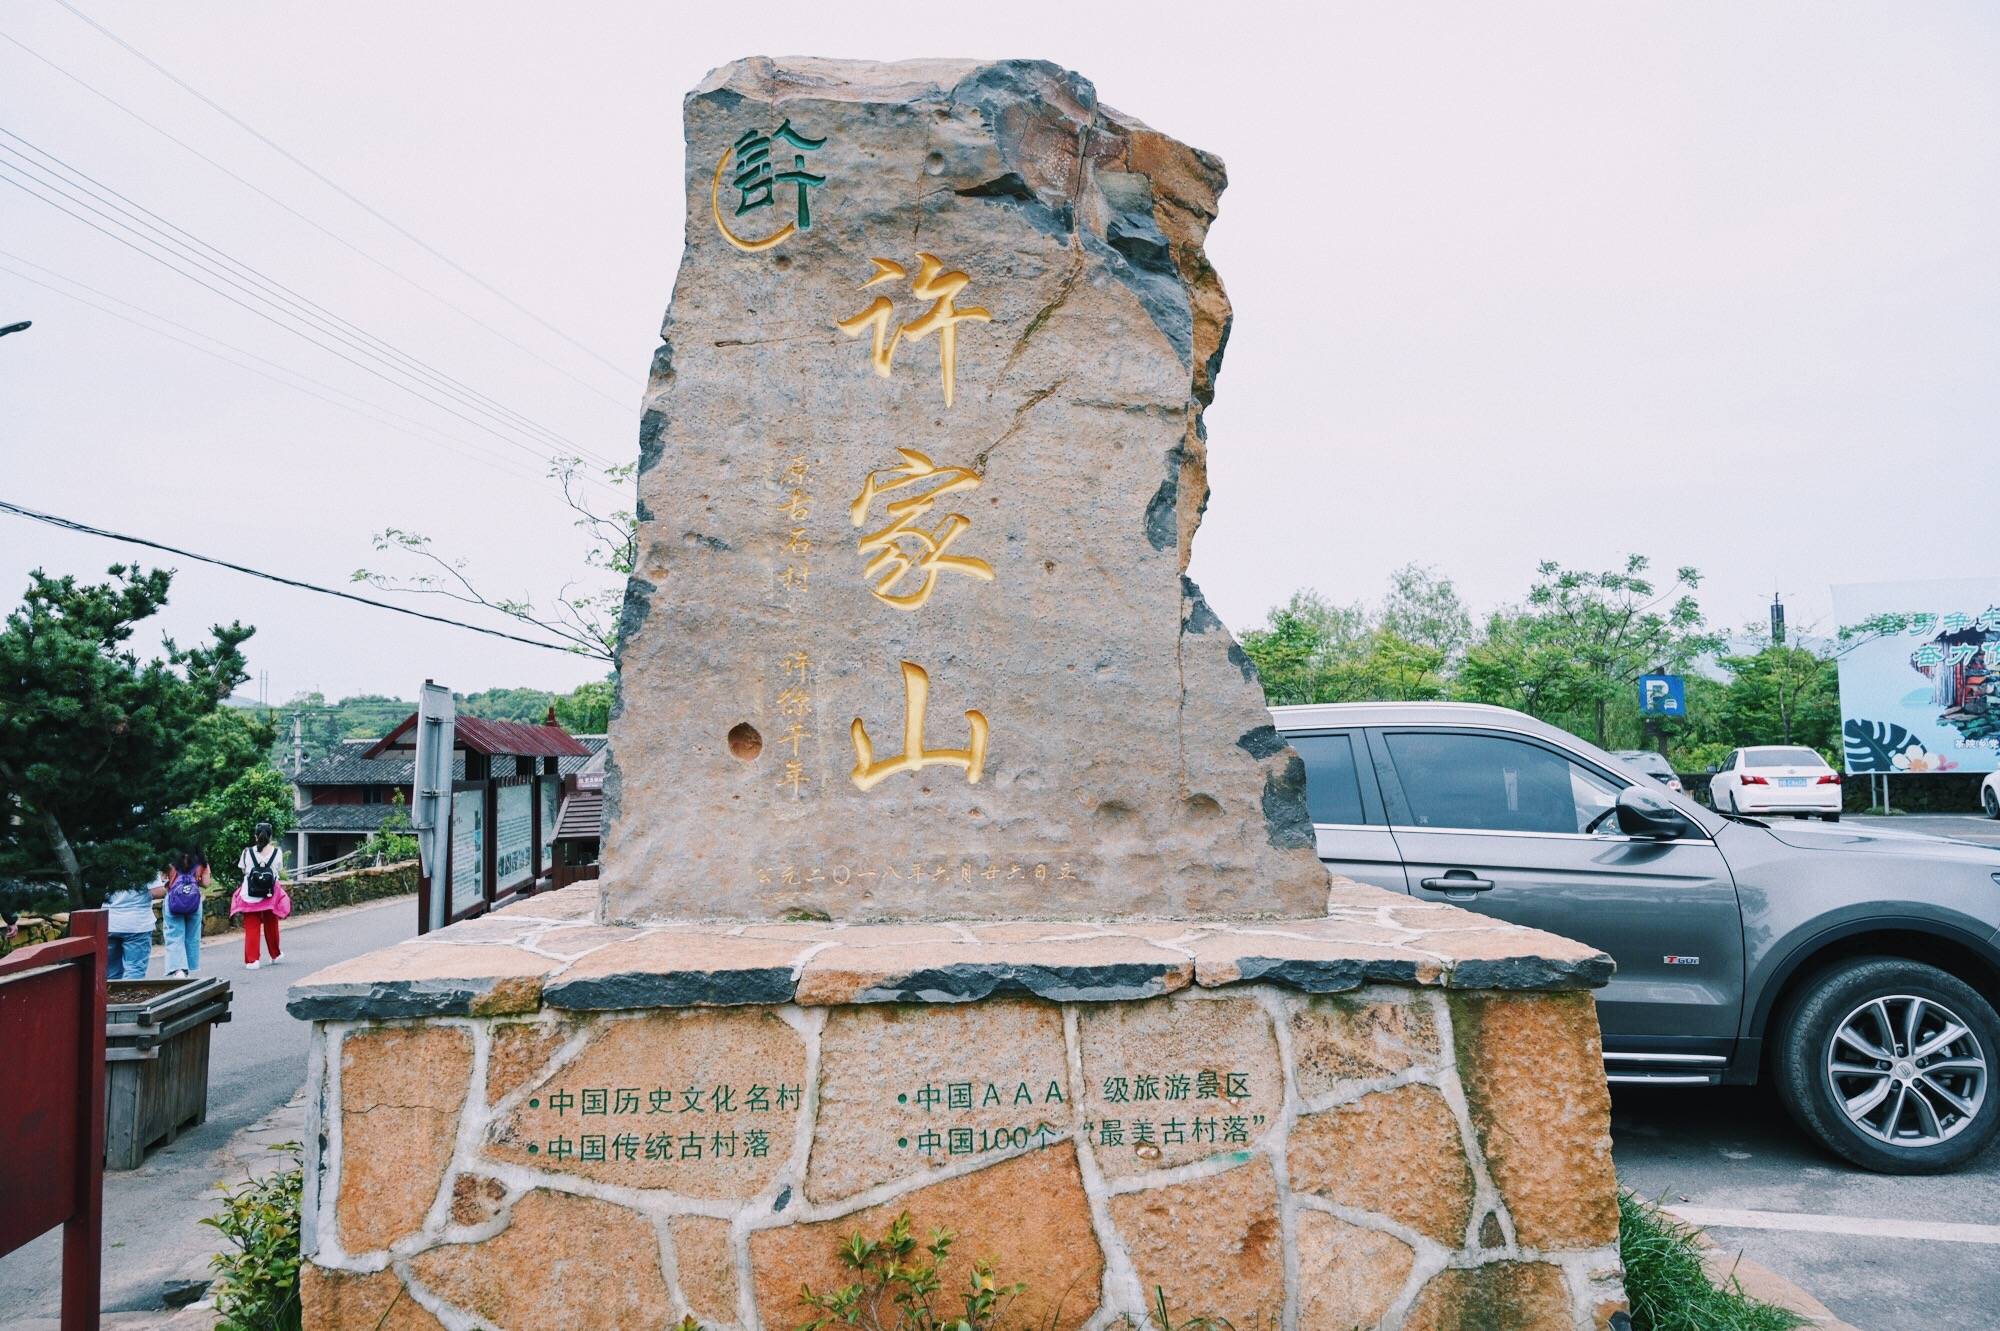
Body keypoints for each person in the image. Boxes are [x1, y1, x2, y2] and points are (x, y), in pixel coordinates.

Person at [233, 823, 287, 969]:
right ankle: (275, 954)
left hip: (250, 894)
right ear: (270, 837)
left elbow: (244, 870)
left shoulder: (247, 852)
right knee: (271, 923)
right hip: (269, 894)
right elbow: (278, 870)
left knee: (252, 926)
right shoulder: (277, 852)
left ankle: (252, 960)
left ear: (255, 836)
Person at [104, 870, 164, 979]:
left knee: (110, 972)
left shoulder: (102, 858)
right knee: (135, 969)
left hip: (108, 921)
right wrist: (170, 887)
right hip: (137, 924)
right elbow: (156, 892)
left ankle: (111, 995)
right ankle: (128, 995)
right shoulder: (145, 860)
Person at [161, 849, 208, 977]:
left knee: (174, 934)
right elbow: (206, 883)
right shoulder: (200, 860)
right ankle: (188, 966)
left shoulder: (169, 859)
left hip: (173, 901)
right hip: (193, 901)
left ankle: (179, 969)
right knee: (192, 936)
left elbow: (162, 879)